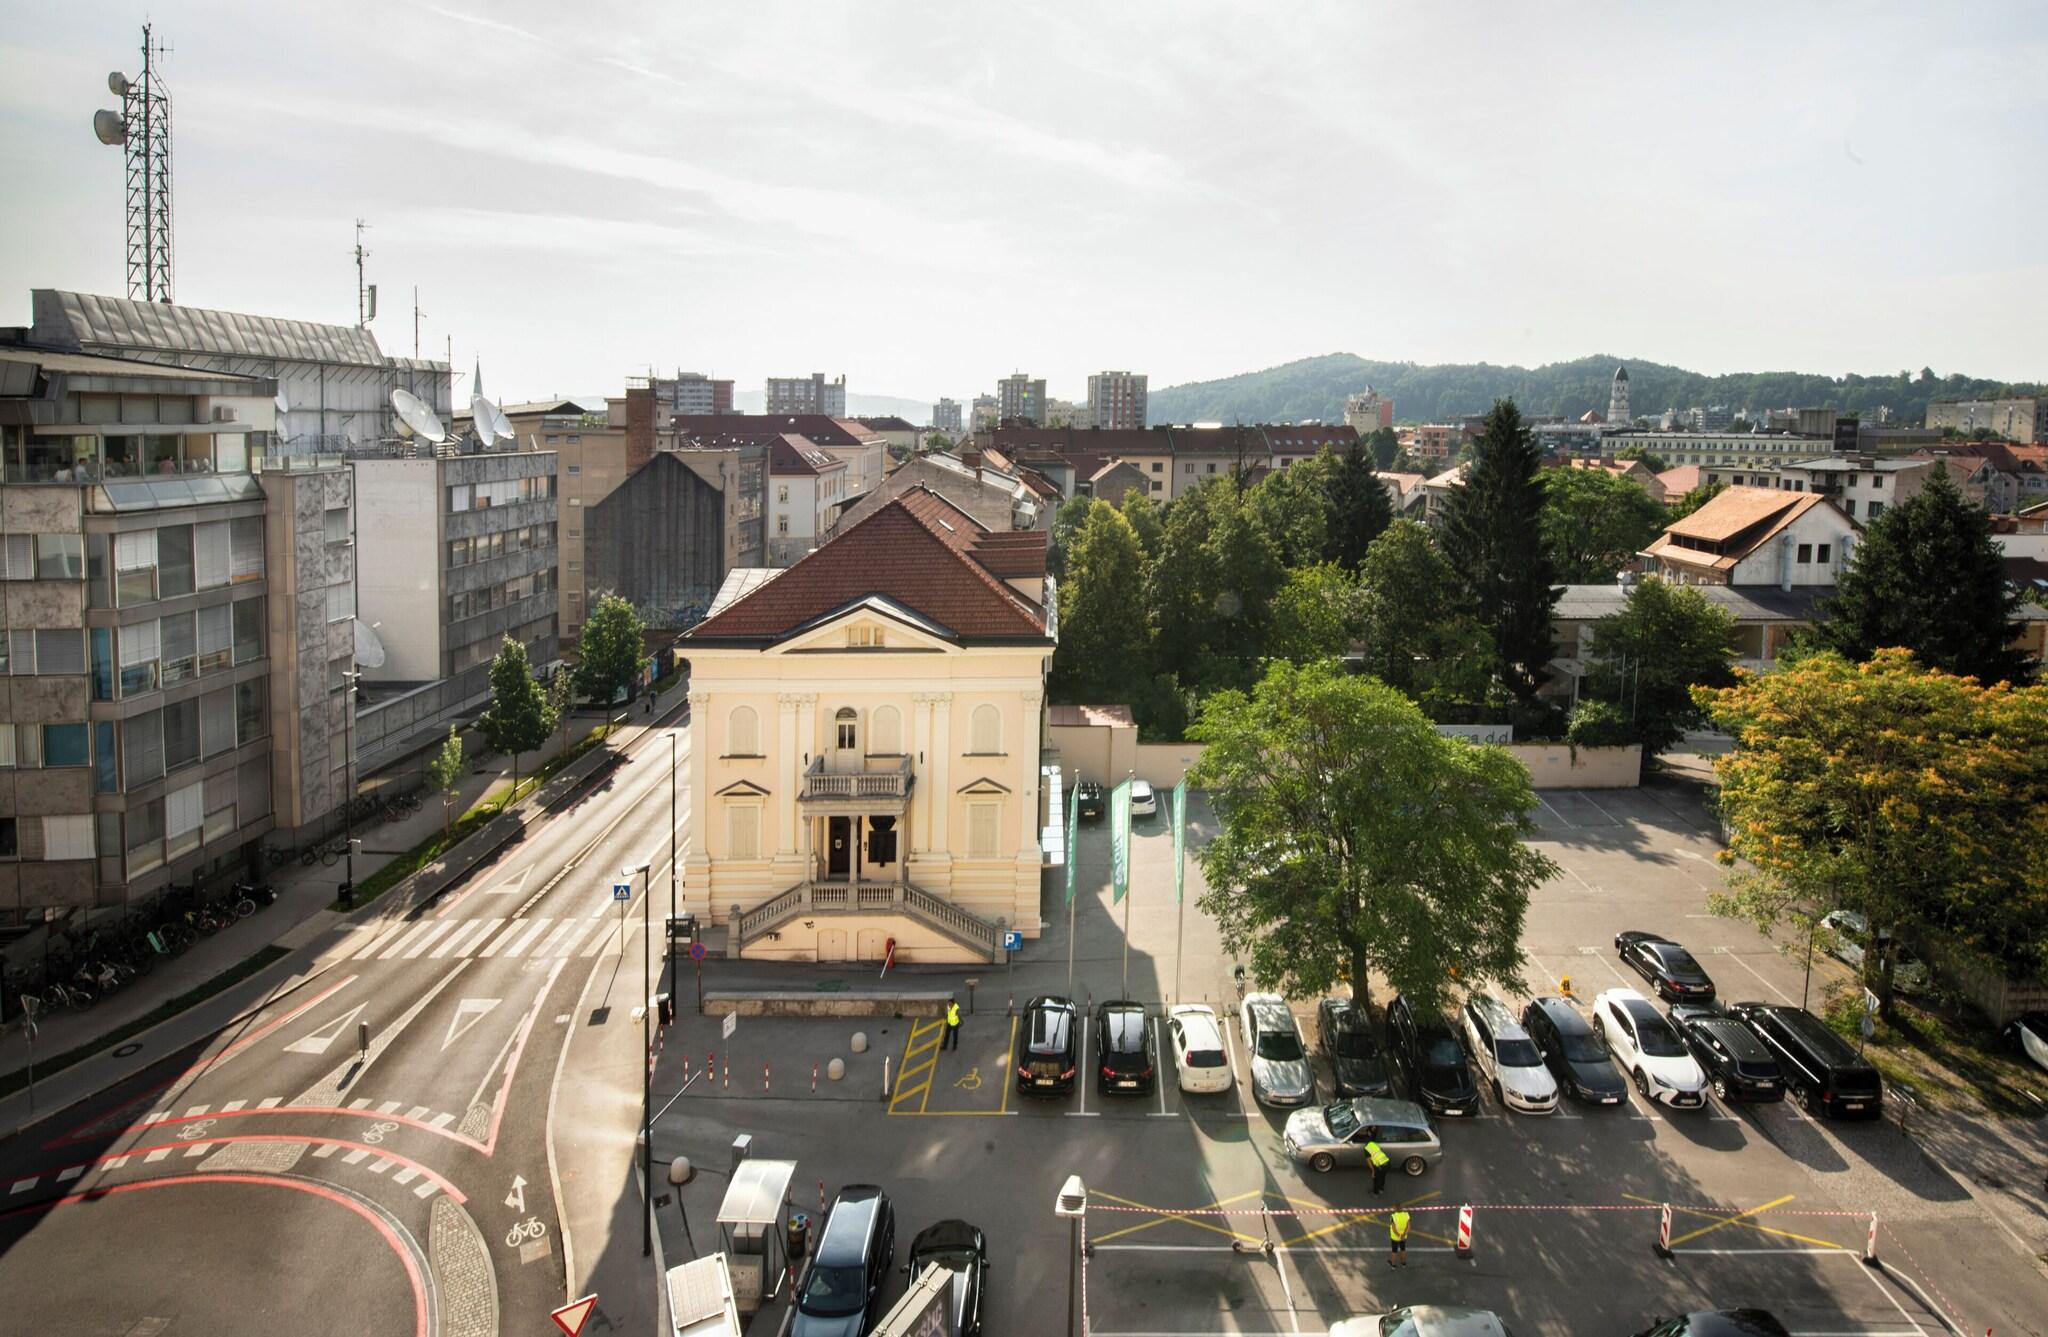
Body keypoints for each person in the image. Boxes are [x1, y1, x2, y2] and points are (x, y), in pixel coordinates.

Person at [1365, 1133, 1390, 1197]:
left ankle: (1376, 1193)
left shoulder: (1366, 1148)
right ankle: (1381, 1190)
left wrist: (1373, 1171)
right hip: (1387, 1162)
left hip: (1380, 1165)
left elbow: (1368, 1161)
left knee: (1375, 1179)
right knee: (1382, 1177)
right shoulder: (1374, 1144)